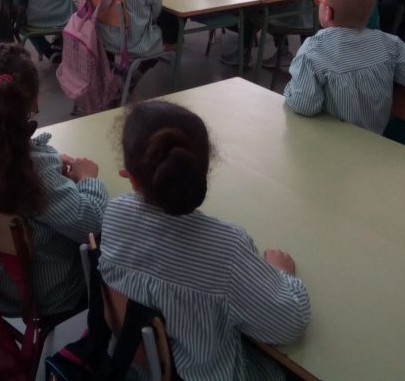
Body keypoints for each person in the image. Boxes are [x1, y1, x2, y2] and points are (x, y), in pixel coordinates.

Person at [99, 100, 310, 380]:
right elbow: (289, 324)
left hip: (131, 365)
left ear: (131, 177)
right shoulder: (227, 249)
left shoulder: (114, 214)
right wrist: (282, 274)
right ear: (201, 171)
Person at [0, 43, 107, 317]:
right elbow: (90, 224)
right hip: (44, 292)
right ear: (35, 102)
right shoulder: (35, 166)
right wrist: (88, 179)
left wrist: (50, 167)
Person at [284, 0, 405, 134]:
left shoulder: (313, 51)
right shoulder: (389, 44)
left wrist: (289, 89)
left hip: (330, 140)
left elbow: (304, 105)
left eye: (320, 0)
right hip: (376, 139)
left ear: (328, 12)